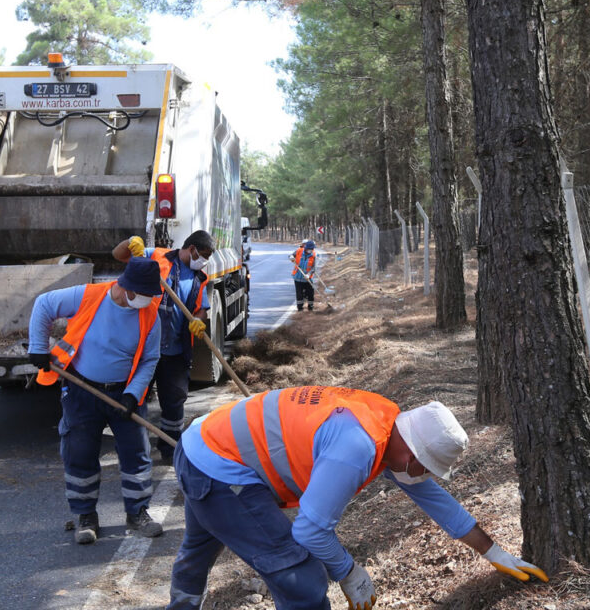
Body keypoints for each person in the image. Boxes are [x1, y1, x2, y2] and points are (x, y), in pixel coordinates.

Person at [165, 386, 548, 610]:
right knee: (303, 578)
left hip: (204, 441)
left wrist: (492, 552)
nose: (426, 477)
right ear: (412, 455)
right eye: (427, 468)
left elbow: (432, 498)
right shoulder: (357, 448)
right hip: (219, 469)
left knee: (199, 548)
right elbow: (311, 532)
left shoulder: (385, 422)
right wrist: (350, 573)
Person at [28, 257, 165, 545]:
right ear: (126, 287)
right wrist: (38, 347)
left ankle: (138, 512)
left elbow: (150, 359)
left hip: (124, 393)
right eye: (144, 295)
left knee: (136, 454)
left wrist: (133, 394)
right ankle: (85, 516)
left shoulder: (150, 314)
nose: (148, 300)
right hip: (82, 391)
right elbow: (43, 304)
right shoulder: (88, 296)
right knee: (79, 452)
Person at [112, 231, 213, 463]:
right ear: (191, 248)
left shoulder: (199, 277)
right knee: (134, 398)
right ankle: (132, 449)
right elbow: (118, 255)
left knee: (174, 401)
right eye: (203, 254)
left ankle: (170, 449)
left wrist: (199, 320)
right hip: (143, 348)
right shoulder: (153, 256)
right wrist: (130, 243)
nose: (203, 259)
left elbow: (201, 308)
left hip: (175, 351)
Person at [290, 239, 317, 312]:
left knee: (310, 293)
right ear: (306, 248)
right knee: (299, 294)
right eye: (309, 249)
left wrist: (308, 274)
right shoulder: (299, 251)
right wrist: (291, 257)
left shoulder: (313, 255)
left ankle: (310, 307)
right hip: (298, 277)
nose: (311, 250)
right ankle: (300, 309)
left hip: (307, 279)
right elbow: (292, 255)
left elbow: (313, 268)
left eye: (312, 249)